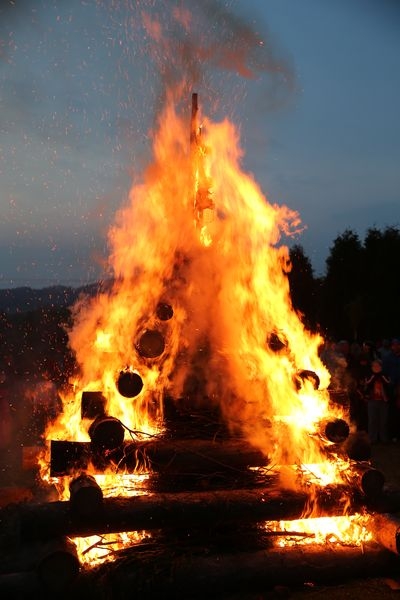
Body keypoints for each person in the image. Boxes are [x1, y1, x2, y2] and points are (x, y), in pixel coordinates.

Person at [364, 359, 391, 444]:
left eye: (378, 366)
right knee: (372, 420)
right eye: (374, 366)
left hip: (383, 401)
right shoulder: (369, 376)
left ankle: (383, 438)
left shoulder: (385, 375)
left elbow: (388, 384)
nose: (376, 367)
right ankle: (372, 438)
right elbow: (367, 385)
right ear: (371, 367)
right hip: (372, 401)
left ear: (381, 367)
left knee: (383, 421)